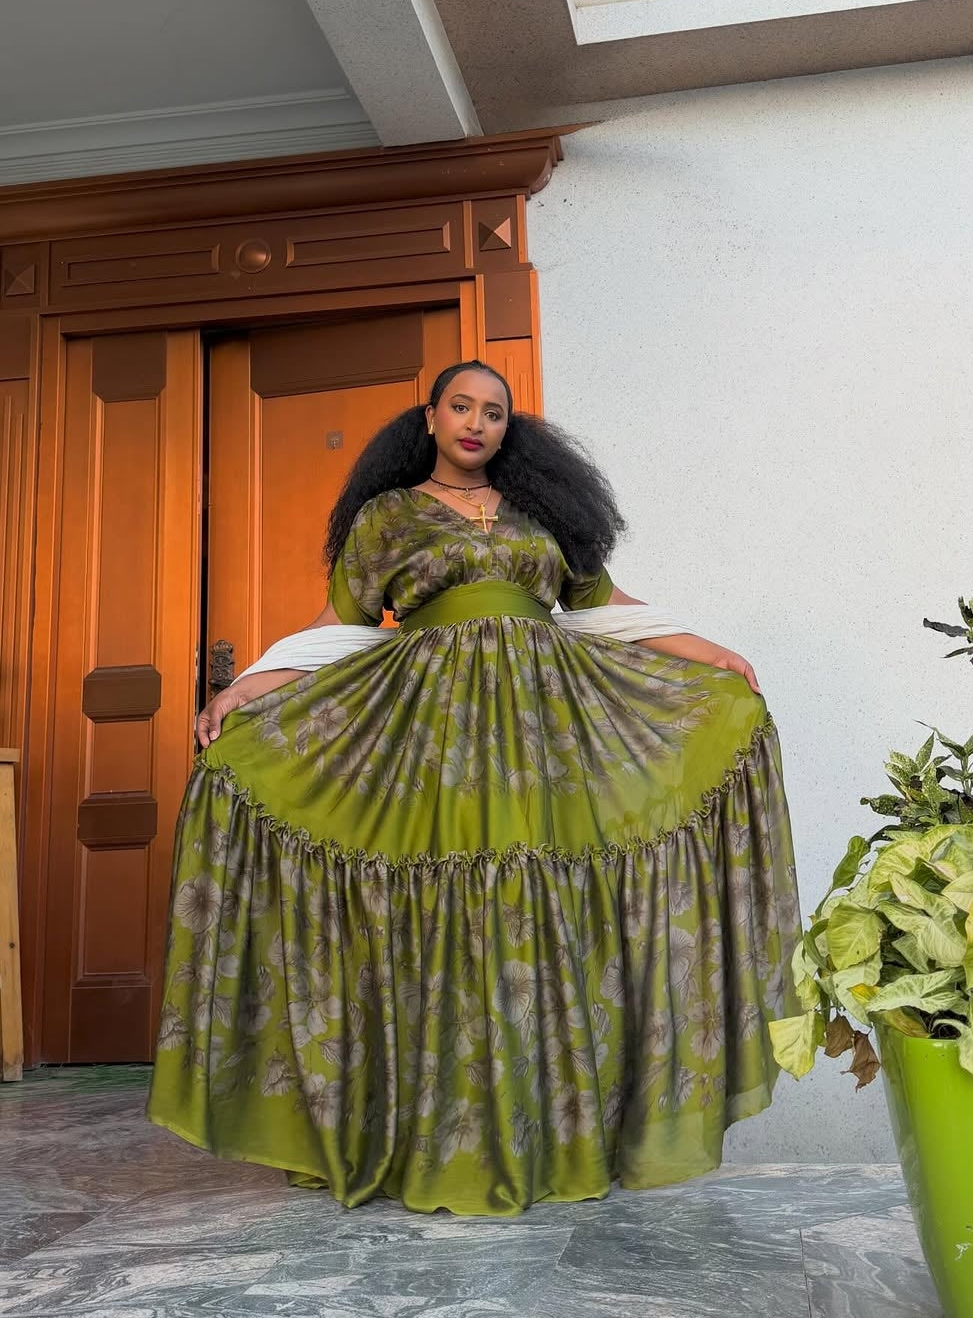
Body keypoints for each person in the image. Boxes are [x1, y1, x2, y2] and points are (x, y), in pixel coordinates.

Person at [147, 359, 800, 1216]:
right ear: (431, 415)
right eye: (462, 405)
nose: (477, 422)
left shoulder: (541, 515)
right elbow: (338, 626)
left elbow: (603, 604)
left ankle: (551, 1136)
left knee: (537, 907)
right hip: (432, 736)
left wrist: (710, 653)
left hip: (544, 734)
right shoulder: (387, 516)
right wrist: (245, 688)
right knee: (455, 904)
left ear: (507, 428)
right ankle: (442, 1139)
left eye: (494, 412)